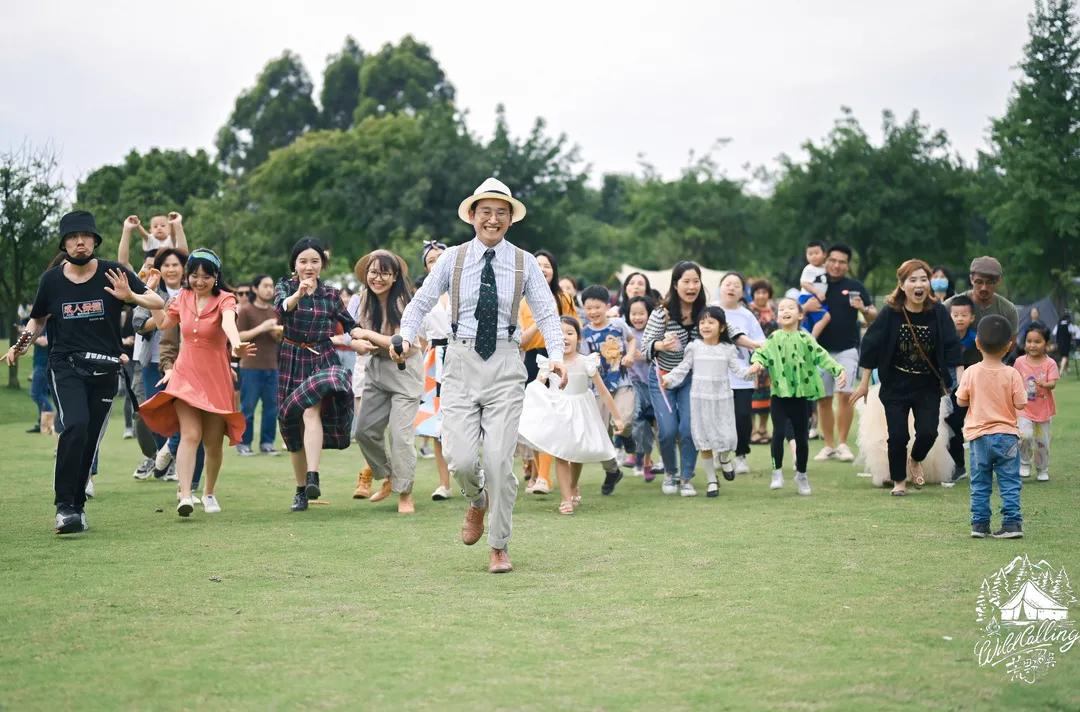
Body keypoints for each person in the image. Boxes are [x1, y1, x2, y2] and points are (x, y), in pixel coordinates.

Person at [396, 178, 568, 574]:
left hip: (507, 364)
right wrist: (406, 336)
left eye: (501, 213)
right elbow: (419, 302)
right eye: (485, 212)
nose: (493, 219)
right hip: (459, 361)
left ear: (511, 219)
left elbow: (545, 313)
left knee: (497, 461)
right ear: (472, 215)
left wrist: (556, 354)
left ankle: (499, 546)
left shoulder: (525, 262)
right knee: (458, 459)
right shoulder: (452, 260)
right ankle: (476, 500)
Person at [6, 210, 163, 534]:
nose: (80, 242)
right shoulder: (51, 280)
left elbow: (155, 302)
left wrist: (129, 296)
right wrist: (21, 345)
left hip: (105, 368)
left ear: (94, 240)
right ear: (65, 244)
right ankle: (64, 506)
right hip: (66, 366)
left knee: (89, 440)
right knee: (75, 426)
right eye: (73, 238)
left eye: (86, 237)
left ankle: (76, 507)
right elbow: (38, 320)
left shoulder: (113, 273)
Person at [140, 249, 251, 516]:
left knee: (212, 443)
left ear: (216, 277)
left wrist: (236, 344)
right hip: (186, 375)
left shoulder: (225, 299)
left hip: (215, 378)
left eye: (206, 276)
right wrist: (149, 298)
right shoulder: (182, 298)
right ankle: (185, 495)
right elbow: (165, 322)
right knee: (190, 434)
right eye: (194, 276)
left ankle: (209, 492)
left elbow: (228, 323)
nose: (199, 281)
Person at [851, 259, 960, 496]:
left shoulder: (938, 312)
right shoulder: (891, 313)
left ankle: (915, 459)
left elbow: (952, 345)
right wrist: (862, 385)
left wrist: (960, 379)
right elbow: (871, 345)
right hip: (896, 385)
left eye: (923, 279)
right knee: (898, 435)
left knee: (928, 433)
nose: (919, 285)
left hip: (927, 385)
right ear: (902, 284)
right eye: (912, 280)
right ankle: (899, 481)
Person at [275, 238, 364, 512]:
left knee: (310, 412)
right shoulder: (285, 287)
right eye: (303, 261)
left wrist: (361, 339)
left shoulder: (331, 294)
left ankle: (313, 476)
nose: (309, 266)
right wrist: (299, 294)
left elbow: (351, 325)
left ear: (322, 264)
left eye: (314, 261)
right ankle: (301, 489)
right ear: (295, 264)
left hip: (323, 357)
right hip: (292, 359)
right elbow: (282, 309)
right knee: (292, 427)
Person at [520, 317, 626, 514]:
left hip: (581, 412)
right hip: (559, 413)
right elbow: (537, 388)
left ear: (578, 338)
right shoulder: (550, 364)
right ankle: (566, 498)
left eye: (570, 333)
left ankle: (573, 485)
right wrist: (541, 379)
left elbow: (603, 392)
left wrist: (617, 417)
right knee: (562, 454)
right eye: (560, 333)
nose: (565, 337)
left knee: (577, 456)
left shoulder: (586, 362)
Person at [746, 298, 846, 495]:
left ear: (800, 315)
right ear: (777, 316)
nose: (785, 311)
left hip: (801, 397)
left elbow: (822, 355)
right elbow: (761, 354)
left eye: (790, 308)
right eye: (781, 308)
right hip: (779, 397)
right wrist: (756, 364)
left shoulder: (805, 339)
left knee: (801, 438)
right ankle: (777, 472)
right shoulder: (773, 338)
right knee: (778, 434)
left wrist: (838, 370)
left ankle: (802, 474)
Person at [352, 250, 424, 514]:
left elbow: (407, 344)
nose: (377, 278)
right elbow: (355, 333)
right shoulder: (363, 299)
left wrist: (367, 335)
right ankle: (389, 477)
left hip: (405, 372)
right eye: (373, 271)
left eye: (384, 272)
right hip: (376, 370)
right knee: (364, 431)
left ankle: (405, 493)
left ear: (394, 277)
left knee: (401, 436)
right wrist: (358, 342)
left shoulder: (407, 303)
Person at [956, 315, 1027, 538]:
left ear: (977, 343)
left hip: (979, 437)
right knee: (1009, 482)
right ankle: (1012, 524)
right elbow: (1021, 403)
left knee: (980, 483)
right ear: (1009, 346)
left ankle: (979, 525)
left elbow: (960, 400)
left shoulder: (971, 372)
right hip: (1007, 436)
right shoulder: (1013, 373)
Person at [661, 306, 742, 497]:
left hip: (722, 399)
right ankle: (711, 480)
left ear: (721, 327)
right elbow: (683, 368)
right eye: (702, 322)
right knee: (703, 441)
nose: (706, 325)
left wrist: (753, 370)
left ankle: (723, 458)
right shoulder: (694, 347)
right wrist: (669, 378)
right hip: (700, 400)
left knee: (727, 438)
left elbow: (739, 371)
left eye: (711, 322)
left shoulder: (728, 349)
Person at [806, 244, 877, 463]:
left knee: (844, 394)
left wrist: (863, 308)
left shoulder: (855, 286)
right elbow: (797, 310)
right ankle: (828, 445)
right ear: (826, 261)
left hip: (847, 349)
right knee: (824, 398)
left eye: (842, 262)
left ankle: (843, 444)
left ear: (847, 265)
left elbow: (873, 316)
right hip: (819, 351)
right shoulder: (815, 284)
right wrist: (805, 308)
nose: (837, 265)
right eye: (833, 260)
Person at [518, 248, 576, 495]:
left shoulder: (563, 298)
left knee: (553, 417)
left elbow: (573, 329)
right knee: (533, 417)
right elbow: (521, 340)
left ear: (554, 271)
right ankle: (533, 467)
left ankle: (544, 477)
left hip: (556, 359)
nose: (543, 269)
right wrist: (541, 319)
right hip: (531, 359)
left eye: (548, 265)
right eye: (538, 265)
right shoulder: (521, 300)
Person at [131, 248, 187, 482]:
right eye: (166, 265)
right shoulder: (152, 290)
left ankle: (173, 460)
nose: (171, 269)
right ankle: (161, 456)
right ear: (160, 269)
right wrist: (165, 316)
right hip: (153, 362)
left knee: (183, 414)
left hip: (185, 364)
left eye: (175, 265)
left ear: (183, 268)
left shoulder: (192, 291)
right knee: (153, 414)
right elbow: (138, 322)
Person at [714, 272, 766, 474]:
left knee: (742, 416)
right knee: (718, 418)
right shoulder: (711, 310)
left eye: (736, 285)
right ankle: (721, 452)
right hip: (716, 376)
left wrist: (756, 363)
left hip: (742, 377)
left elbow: (759, 343)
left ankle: (741, 454)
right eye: (727, 284)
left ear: (742, 291)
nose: (731, 288)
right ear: (720, 287)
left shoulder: (747, 315)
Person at [415, 239, 454, 501]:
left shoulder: (464, 289)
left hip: (463, 357)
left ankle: (474, 476)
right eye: (431, 260)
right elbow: (418, 336)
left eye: (441, 258)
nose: (436, 263)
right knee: (439, 424)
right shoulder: (422, 297)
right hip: (435, 361)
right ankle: (444, 483)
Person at [580, 284, 638, 466]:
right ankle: (612, 471)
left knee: (624, 418)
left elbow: (632, 339)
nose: (593, 312)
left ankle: (628, 437)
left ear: (607, 306)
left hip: (621, 381)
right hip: (598, 388)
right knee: (601, 433)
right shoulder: (584, 334)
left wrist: (629, 354)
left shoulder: (618, 324)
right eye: (589, 308)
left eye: (597, 307)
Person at [235, 274, 283, 456]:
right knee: (248, 407)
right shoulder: (246, 311)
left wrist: (276, 333)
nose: (269, 289)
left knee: (271, 408)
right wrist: (262, 328)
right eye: (265, 286)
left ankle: (267, 443)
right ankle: (243, 443)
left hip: (272, 366)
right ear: (255, 289)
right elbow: (238, 336)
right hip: (250, 366)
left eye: (272, 286)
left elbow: (278, 339)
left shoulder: (274, 312)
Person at [943, 295, 981, 485]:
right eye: (955, 314)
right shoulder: (943, 337)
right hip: (946, 389)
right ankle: (955, 466)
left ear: (972, 318)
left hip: (971, 390)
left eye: (963, 315)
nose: (959, 318)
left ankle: (975, 467)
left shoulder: (976, 341)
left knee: (970, 426)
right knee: (950, 425)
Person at [1013, 322, 1057, 482]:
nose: (1032, 345)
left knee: (1041, 442)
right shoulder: (1019, 362)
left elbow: (1053, 383)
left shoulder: (1050, 363)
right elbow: (1014, 381)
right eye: (1029, 341)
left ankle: (1042, 468)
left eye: (1037, 341)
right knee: (1024, 436)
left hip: (1043, 411)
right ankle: (1024, 463)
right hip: (1024, 409)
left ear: (1046, 343)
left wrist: (1045, 384)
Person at [944, 256, 1019, 336]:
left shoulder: (1008, 310)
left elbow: (1011, 343)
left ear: (998, 281)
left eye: (989, 282)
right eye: (979, 282)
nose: (984, 288)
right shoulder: (950, 306)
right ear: (971, 279)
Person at [626, 295, 658, 479]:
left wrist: (644, 355)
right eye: (633, 313)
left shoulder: (654, 334)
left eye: (641, 313)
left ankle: (646, 460)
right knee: (636, 416)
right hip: (634, 382)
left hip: (654, 383)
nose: (637, 317)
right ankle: (635, 455)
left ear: (649, 314)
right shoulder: (627, 334)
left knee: (651, 424)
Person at [748, 279, 777, 444]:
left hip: (771, 359)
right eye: (758, 292)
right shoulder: (748, 311)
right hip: (752, 357)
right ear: (753, 294)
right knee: (751, 394)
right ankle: (752, 431)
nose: (761, 295)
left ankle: (763, 429)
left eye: (764, 292)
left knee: (767, 395)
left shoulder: (774, 310)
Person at [117, 212, 189, 270]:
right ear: (151, 230)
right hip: (150, 269)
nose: (159, 228)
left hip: (166, 266)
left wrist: (174, 224)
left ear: (169, 228)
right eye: (155, 226)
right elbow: (144, 235)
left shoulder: (171, 239)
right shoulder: (151, 239)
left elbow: (174, 235)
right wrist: (137, 225)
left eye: (163, 226)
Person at [798, 240, 831, 336]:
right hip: (809, 297)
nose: (813, 256)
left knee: (808, 321)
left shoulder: (824, 268)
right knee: (826, 317)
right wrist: (817, 292)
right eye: (810, 254)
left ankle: (808, 336)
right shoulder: (809, 268)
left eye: (816, 253)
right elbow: (804, 283)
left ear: (824, 254)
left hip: (817, 298)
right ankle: (813, 338)